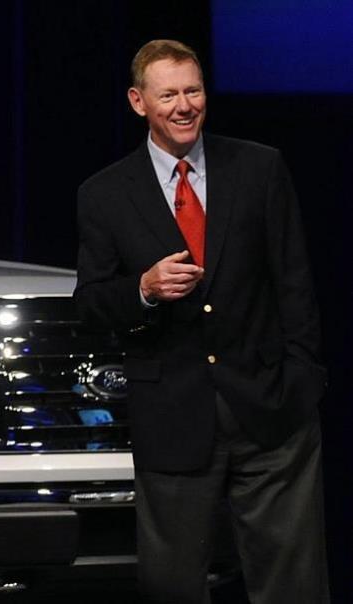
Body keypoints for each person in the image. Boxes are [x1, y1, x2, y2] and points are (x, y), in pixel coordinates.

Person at [73, 39, 329, 603]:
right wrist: (143, 288)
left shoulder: (259, 167)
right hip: (171, 415)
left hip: (271, 410)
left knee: (294, 583)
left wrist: (303, 379)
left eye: (194, 90)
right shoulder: (105, 194)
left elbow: (295, 282)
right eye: (169, 94)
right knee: (173, 586)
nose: (184, 105)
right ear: (139, 102)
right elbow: (90, 303)